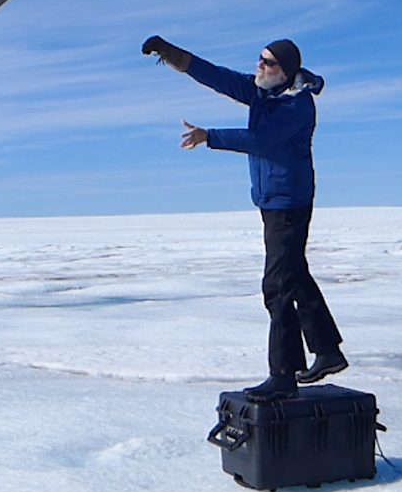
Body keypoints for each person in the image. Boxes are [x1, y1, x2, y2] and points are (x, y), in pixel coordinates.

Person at [141, 35, 347, 402]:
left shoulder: (297, 105)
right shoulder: (263, 91)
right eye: (260, 59)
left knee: (277, 287)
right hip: (273, 201)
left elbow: (261, 139)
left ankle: (283, 375)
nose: (260, 66)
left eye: (268, 63)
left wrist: (209, 136)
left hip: (288, 203)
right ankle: (327, 350)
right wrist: (170, 53)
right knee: (294, 274)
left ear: (286, 71)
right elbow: (216, 76)